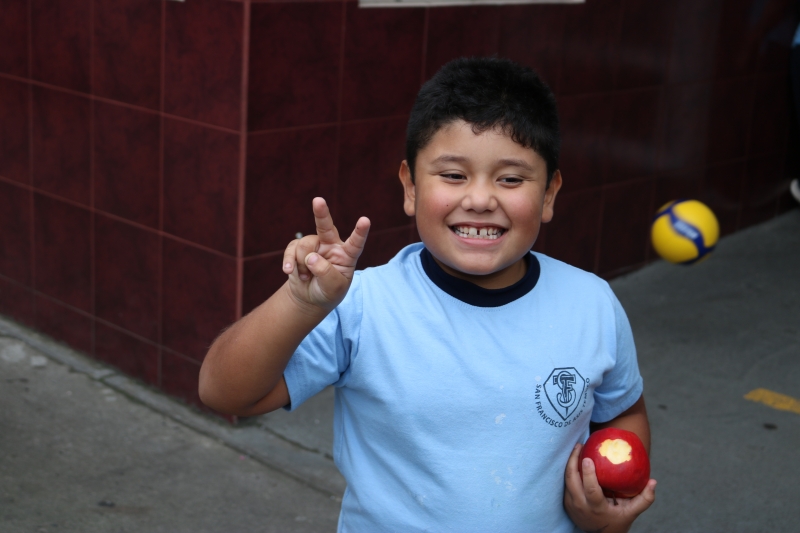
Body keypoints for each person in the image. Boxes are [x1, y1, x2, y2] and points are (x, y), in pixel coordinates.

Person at [199, 57, 656, 533]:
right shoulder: (361, 306)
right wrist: (300, 304)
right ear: (410, 187)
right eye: (454, 175)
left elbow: (623, 413)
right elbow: (223, 392)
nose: (480, 200)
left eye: (511, 179)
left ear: (549, 195)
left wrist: (606, 512)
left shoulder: (592, 304)